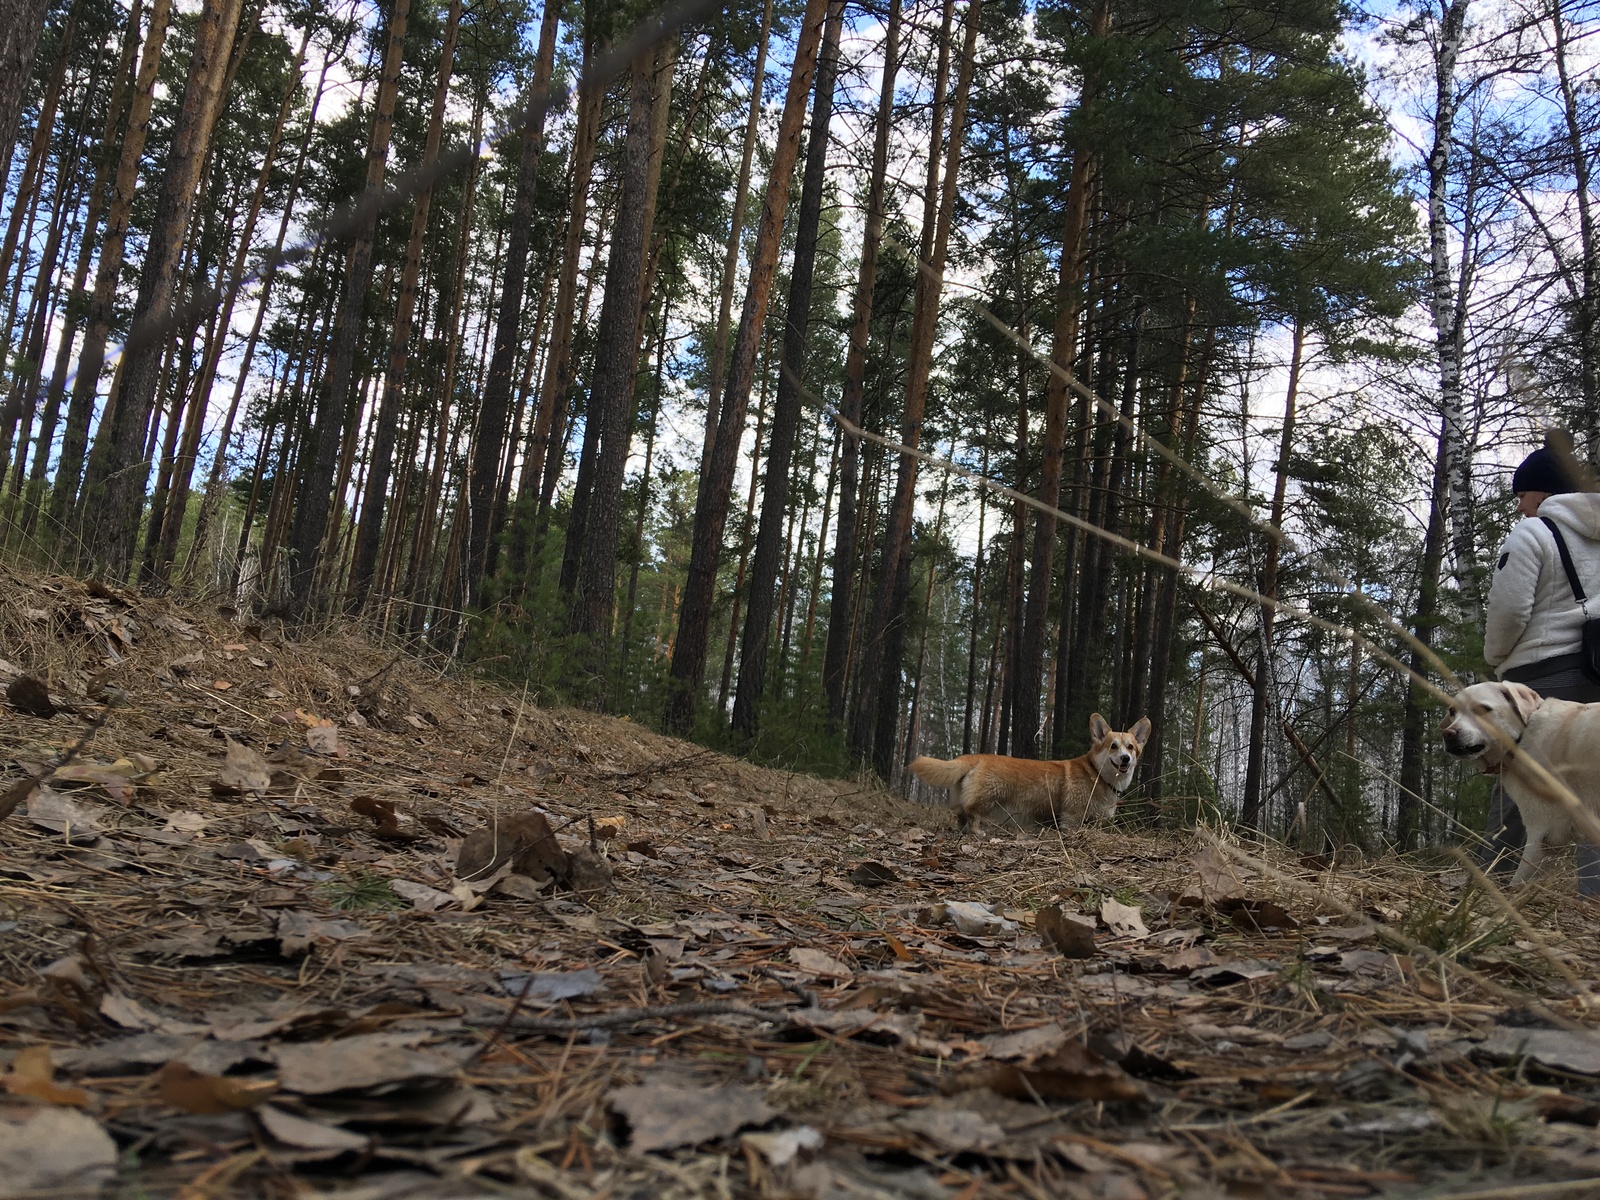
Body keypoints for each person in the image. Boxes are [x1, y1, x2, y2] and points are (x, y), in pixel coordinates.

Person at [1480, 440, 1600, 892]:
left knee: (1522, 787)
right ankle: (1594, 902)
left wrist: (1497, 659)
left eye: (1521, 497)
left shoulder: (1534, 533)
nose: (1520, 508)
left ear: (1541, 494)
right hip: (1597, 671)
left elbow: (1509, 612)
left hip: (1542, 677)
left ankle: (1494, 891)